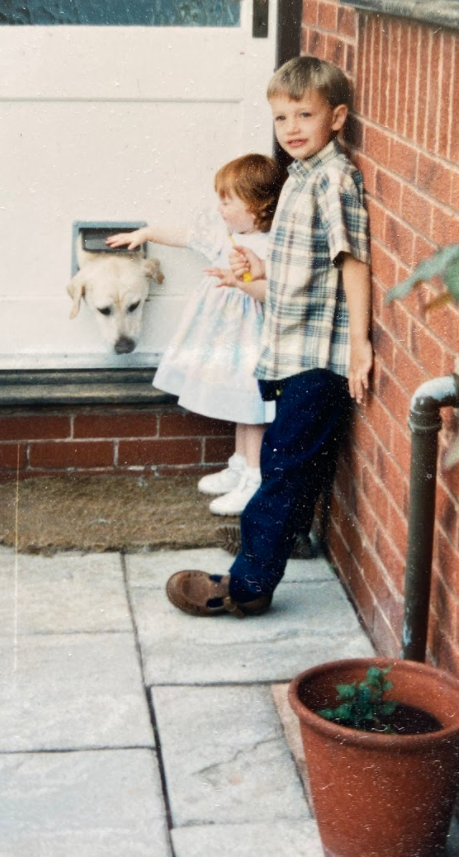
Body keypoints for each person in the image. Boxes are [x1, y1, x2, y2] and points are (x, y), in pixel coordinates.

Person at [166, 55, 372, 617]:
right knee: (290, 467)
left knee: (282, 467)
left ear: (337, 117)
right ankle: (258, 570)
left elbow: (352, 260)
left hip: (319, 357)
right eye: (281, 119)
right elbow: (293, 279)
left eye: (304, 115)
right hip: (289, 349)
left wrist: (360, 343)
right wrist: (251, 280)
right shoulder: (301, 178)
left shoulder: (334, 179)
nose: (292, 129)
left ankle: (246, 587)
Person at [106, 153, 284, 516]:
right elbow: (186, 236)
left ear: (256, 205)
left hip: (254, 337)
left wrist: (241, 282)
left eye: (227, 200)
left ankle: (255, 478)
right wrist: (146, 233)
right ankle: (239, 466)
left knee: (253, 407)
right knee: (239, 402)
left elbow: (275, 294)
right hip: (228, 341)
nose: (219, 207)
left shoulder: (271, 247)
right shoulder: (226, 234)